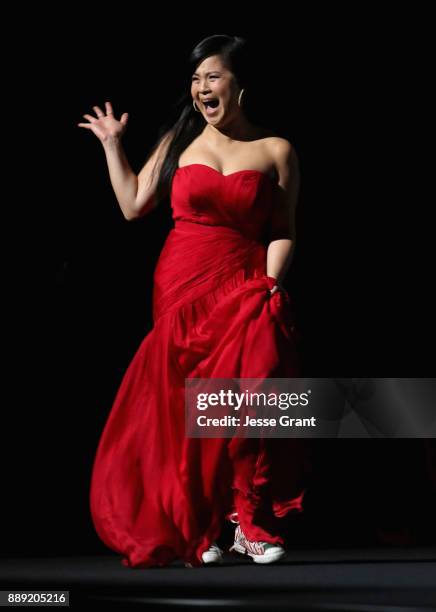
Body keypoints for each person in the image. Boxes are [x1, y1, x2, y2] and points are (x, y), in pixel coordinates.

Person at [78, 34, 311, 568]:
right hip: (183, 283)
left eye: (213, 76)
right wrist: (113, 145)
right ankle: (201, 526)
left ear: (240, 85)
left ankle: (249, 523)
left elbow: (284, 229)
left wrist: (271, 284)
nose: (202, 87)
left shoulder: (276, 150)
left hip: (246, 283)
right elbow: (135, 205)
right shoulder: (179, 140)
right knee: (192, 406)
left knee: (249, 398)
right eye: (196, 78)